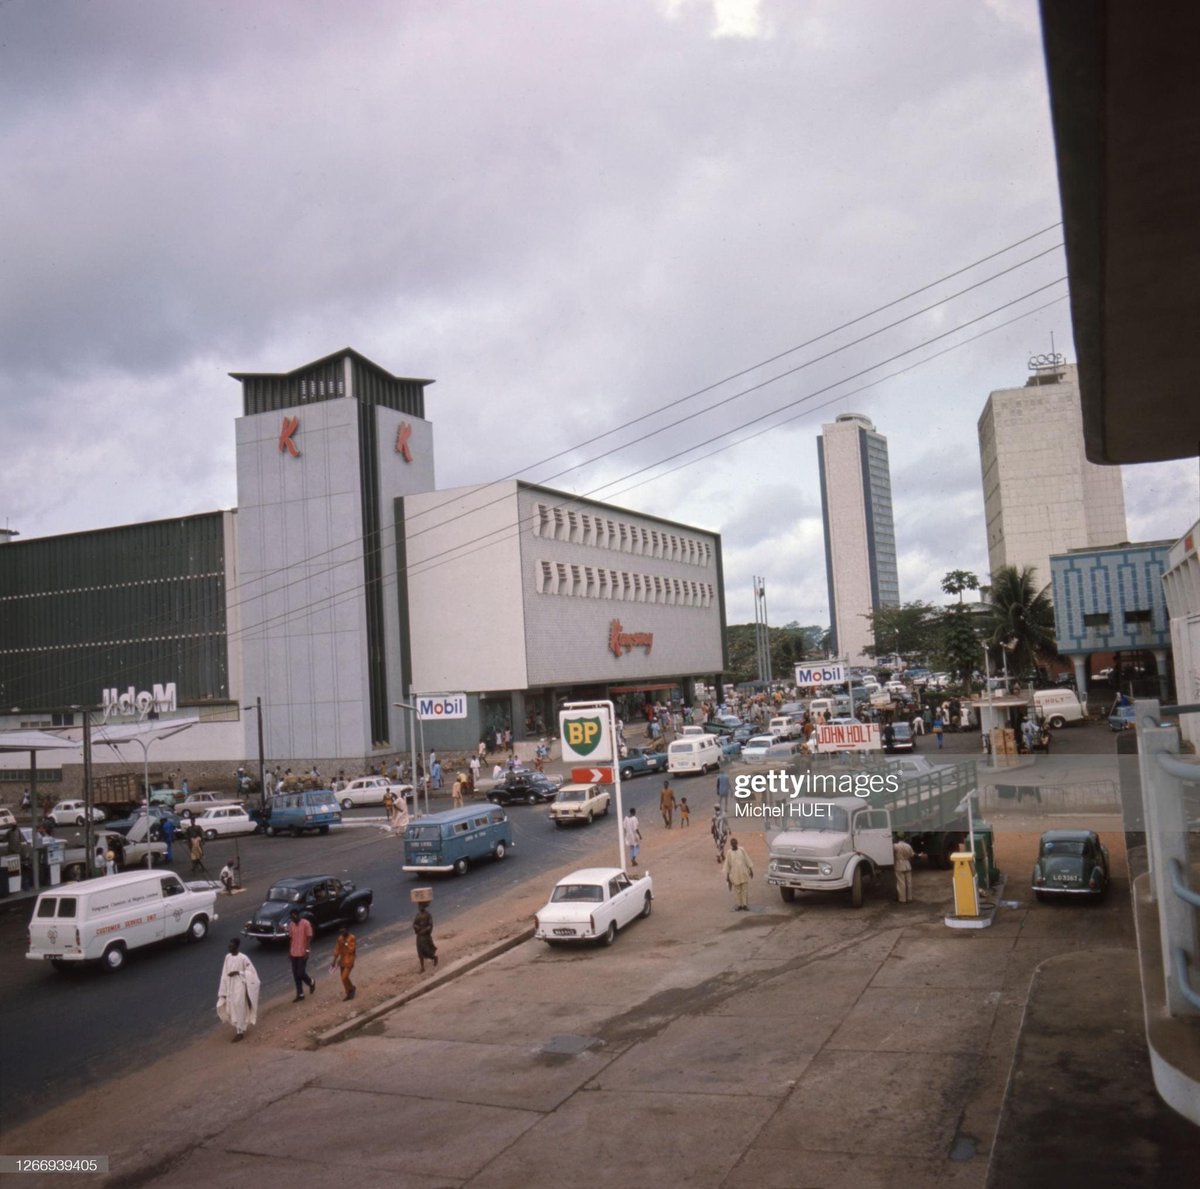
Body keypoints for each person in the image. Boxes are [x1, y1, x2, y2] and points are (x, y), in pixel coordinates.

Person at [216, 938, 260, 1043]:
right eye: (229, 946)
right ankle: (238, 1028)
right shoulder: (227, 957)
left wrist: (238, 972)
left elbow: (251, 973)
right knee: (233, 1007)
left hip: (240, 986)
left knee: (239, 1006)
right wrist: (223, 990)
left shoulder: (243, 958)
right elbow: (224, 973)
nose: (229, 948)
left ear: (236, 946)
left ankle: (240, 1032)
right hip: (230, 986)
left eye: (231, 946)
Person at [287, 909, 316, 1001]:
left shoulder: (306, 923)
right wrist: (290, 951)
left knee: (300, 973)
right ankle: (300, 994)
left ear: (298, 915)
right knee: (295, 974)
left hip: (303, 952)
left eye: (294, 917)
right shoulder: (291, 925)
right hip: (294, 952)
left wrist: (307, 950)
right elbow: (291, 938)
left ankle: (311, 982)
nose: (293, 919)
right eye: (291, 917)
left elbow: (309, 937)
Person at [723, 837, 754, 911]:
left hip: (743, 873)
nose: (734, 845)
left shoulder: (742, 850)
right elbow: (727, 865)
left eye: (735, 843)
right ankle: (739, 905)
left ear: (737, 843)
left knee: (745, 890)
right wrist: (727, 877)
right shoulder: (729, 853)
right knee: (737, 891)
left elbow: (747, 860)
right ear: (731, 844)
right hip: (735, 875)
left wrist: (751, 870)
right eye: (733, 844)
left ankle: (745, 905)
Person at [331, 926, 357, 1000]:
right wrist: (334, 961)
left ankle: (351, 989)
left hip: (349, 960)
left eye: (344, 931)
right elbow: (337, 950)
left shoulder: (352, 937)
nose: (343, 933)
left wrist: (345, 943)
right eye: (341, 932)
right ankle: (349, 992)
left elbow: (351, 949)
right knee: (343, 978)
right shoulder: (340, 939)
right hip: (342, 961)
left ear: (347, 930)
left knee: (344, 977)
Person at [413, 903, 438, 972]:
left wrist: (425, 930)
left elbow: (430, 925)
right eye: (419, 906)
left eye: (420, 906)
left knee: (427, 950)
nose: (419, 908)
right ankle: (422, 967)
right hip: (419, 936)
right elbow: (414, 923)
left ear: (424, 907)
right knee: (420, 951)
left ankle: (434, 957)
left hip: (425, 936)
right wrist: (416, 927)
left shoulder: (428, 915)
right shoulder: (417, 915)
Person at [893, 838, 915, 903]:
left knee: (901, 883)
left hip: (899, 865)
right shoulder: (908, 846)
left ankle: (902, 899)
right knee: (909, 882)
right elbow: (912, 855)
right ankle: (909, 898)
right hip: (907, 864)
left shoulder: (895, 846)